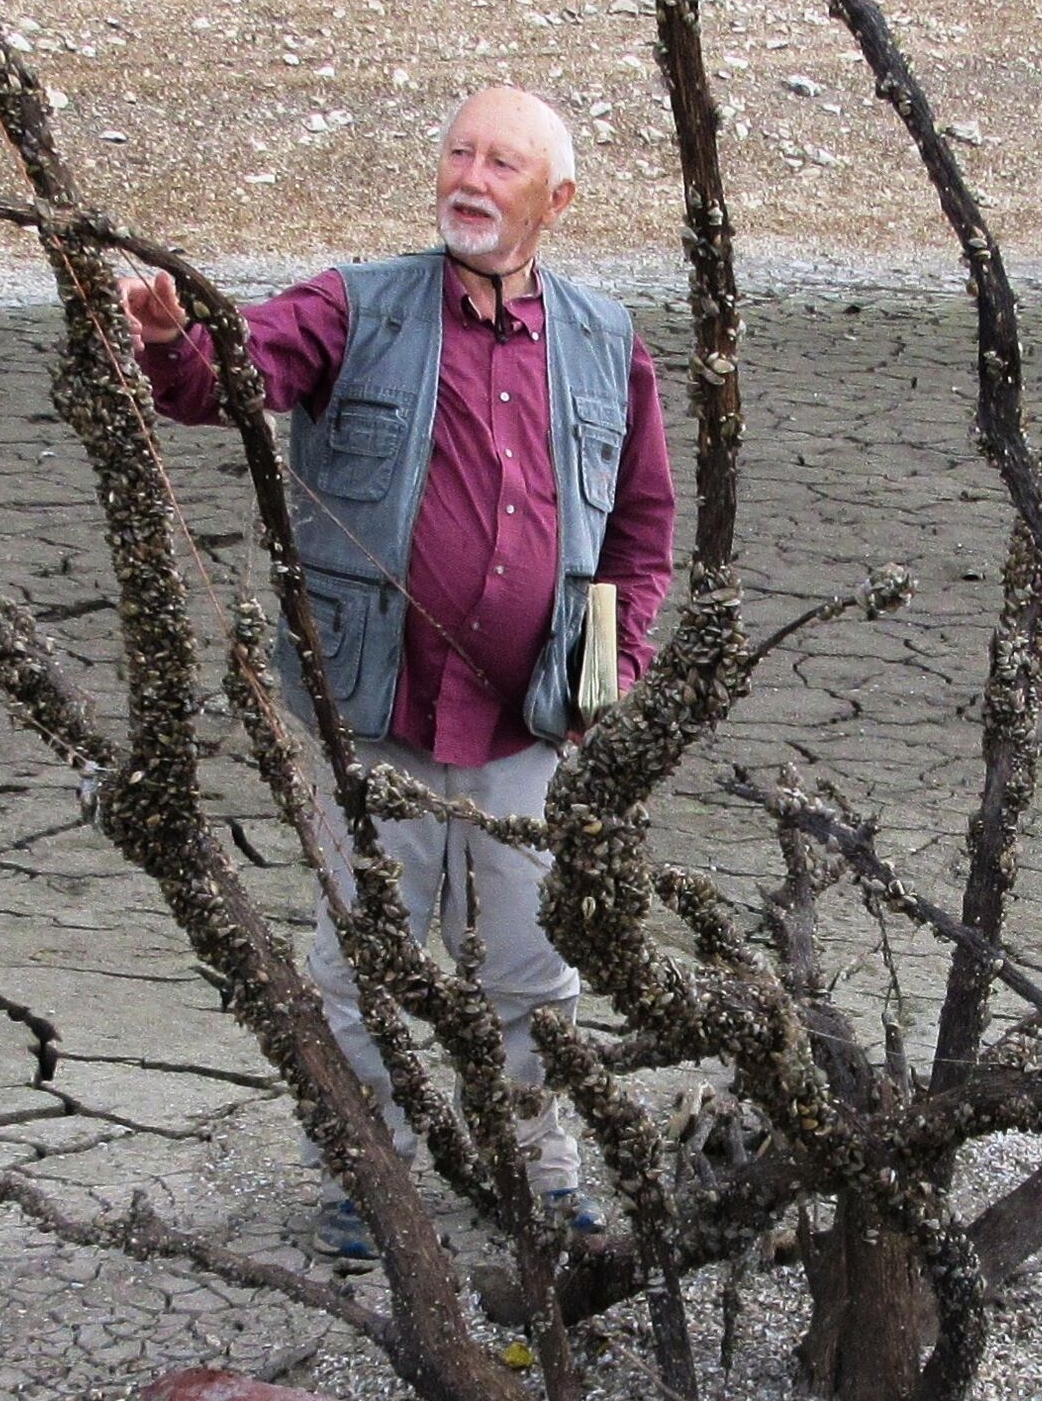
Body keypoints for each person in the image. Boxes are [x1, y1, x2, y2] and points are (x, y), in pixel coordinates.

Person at [123, 85, 675, 1259]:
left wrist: (603, 675)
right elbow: (236, 374)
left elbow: (639, 529)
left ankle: (544, 1171)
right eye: (458, 155)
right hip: (376, 713)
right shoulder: (353, 304)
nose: (470, 179)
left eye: (502, 164)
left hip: (535, 725)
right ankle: (371, 1178)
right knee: (363, 961)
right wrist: (177, 347)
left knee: (533, 965)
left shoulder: (607, 339)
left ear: (556, 197)